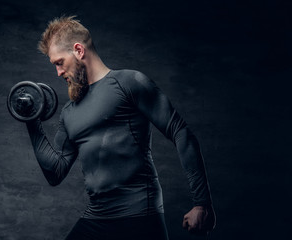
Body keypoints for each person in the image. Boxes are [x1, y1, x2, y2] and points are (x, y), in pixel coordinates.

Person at [26, 16, 216, 239]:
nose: (58, 73)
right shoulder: (69, 112)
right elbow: (55, 172)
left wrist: (202, 204)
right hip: (97, 216)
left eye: (59, 62)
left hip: (139, 216)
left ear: (78, 50)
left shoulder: (129, 83)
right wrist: (31, 119)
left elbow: (181, 132)